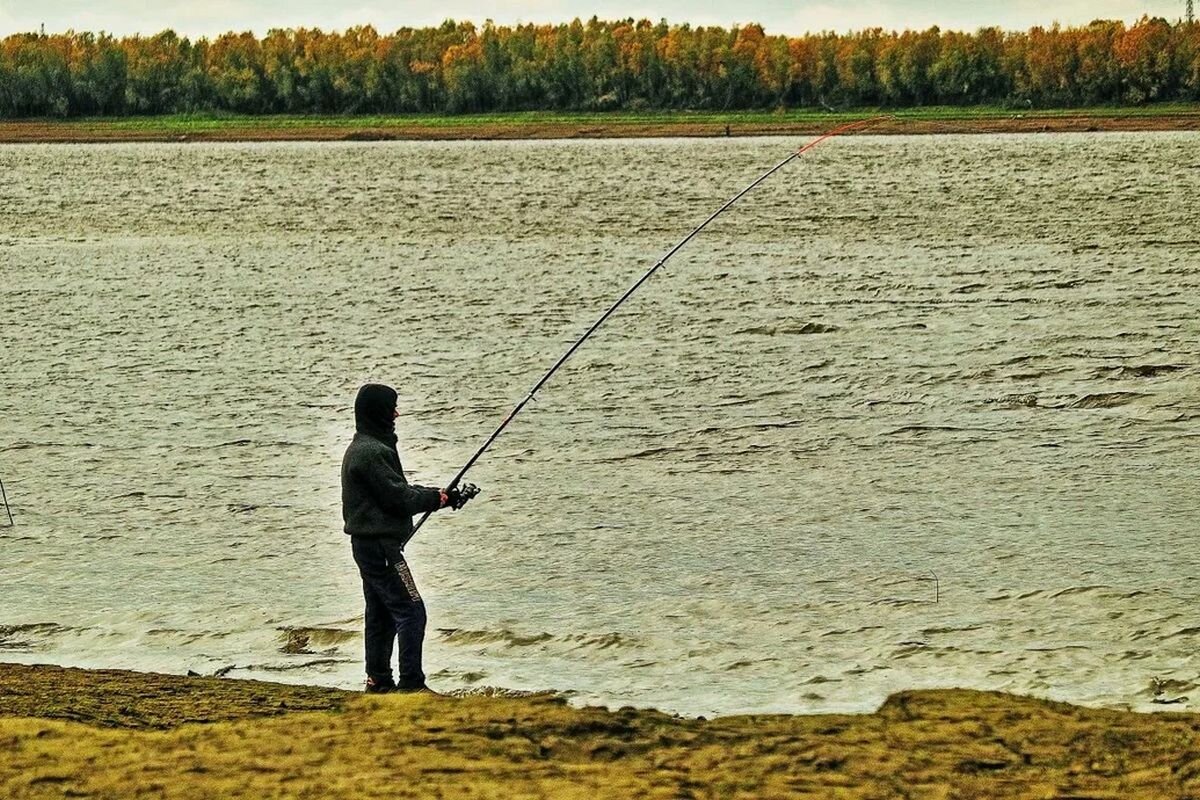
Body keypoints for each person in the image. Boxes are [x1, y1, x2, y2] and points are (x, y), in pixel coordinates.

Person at [341, 383, 478, 694]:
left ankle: (378, 681)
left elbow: (396, 492)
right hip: (382, 549)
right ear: (379, 412)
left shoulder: (364, 447)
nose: (396, 414)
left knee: (380, 614)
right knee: (412, 610)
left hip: (367, 547)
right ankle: (412, 685)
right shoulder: (373, 452)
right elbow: (400, 500)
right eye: (392, 409)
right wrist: (438, 499)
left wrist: (440, 497)